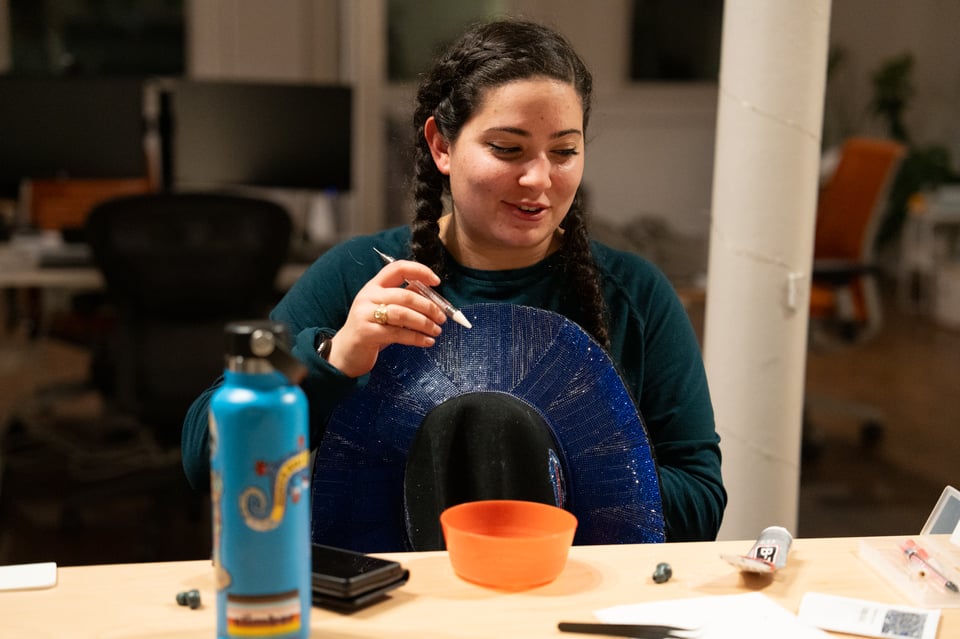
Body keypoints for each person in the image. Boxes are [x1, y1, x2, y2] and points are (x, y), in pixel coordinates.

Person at [182, 18, 726, 542]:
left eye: (564, 151)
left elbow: (701, 500)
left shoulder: (634, 294)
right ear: (441, 146)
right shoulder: (357, 276)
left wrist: (548, 476)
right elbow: (204, 458)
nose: (539, 178)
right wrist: (333, 356)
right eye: (507, 149)